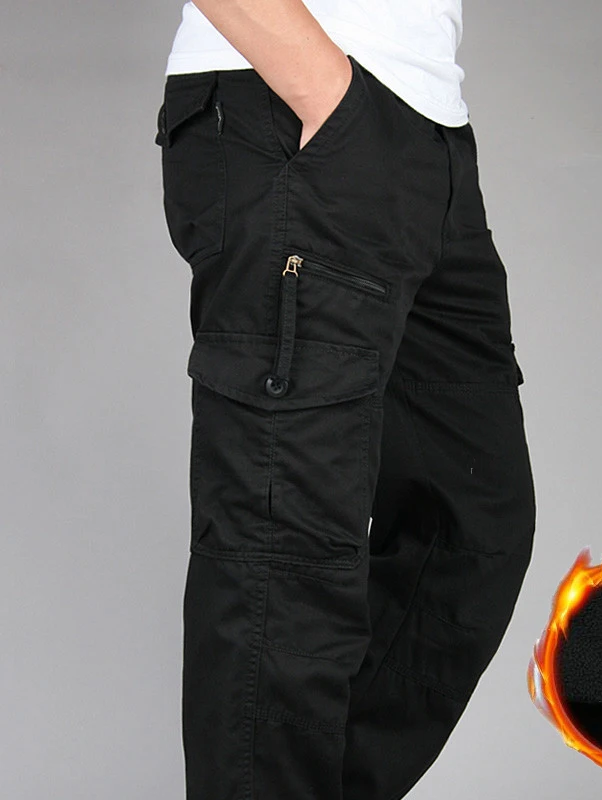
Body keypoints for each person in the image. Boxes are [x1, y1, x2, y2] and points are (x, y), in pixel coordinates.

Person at [154, 2, 536, 798]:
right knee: (284, 557)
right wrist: (327, 93)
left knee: (469, 530)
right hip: (299, 107)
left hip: (426, 130)